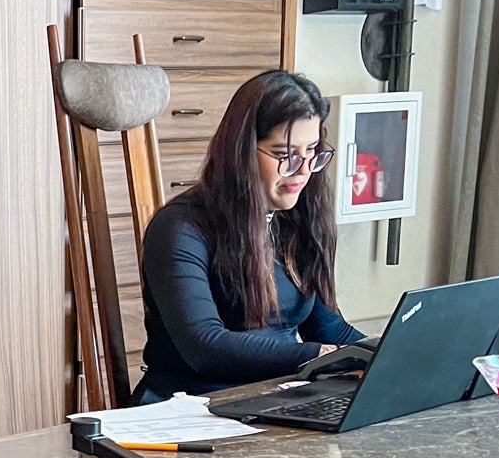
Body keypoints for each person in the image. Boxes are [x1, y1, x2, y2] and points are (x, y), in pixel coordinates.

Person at [133, 70, 367, 404]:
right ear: (241, 151)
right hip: (194, 409)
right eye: (285, 155)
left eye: (312, 151)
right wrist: (324, 354)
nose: (303, 170)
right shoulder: (179, 228)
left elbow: (331, 331)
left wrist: (389, 356)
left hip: (273, 401)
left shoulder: (298, 219)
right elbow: (205, 346)